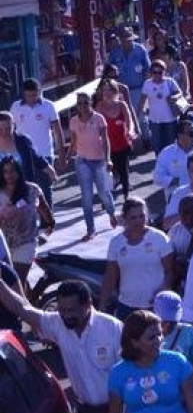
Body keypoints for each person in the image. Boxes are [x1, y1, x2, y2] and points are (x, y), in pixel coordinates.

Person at [0, 279, 120, 413]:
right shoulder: (57, 323)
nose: (66, 316)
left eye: (71, 310)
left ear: (88, 303)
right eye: (62, 310)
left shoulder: (113, 329)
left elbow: (131, 373)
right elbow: (21, 307)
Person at [101, 198, 174, 320]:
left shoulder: (160, 238)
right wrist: (102, 305)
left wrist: (163, 291)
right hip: (126, 306)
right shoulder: (116, 243)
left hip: (154, 307)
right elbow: (110, 276)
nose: (138, 221)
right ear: (125, 218)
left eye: (142, 216)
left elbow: (170, 270)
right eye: (133, 217)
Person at [68, 93, 117, 241]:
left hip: (99, 160)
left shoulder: (99, 119)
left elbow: (105, 140)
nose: (82, 106)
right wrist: (66, 157)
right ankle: (91, 229)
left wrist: (108, 159)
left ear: (90, 103)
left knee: (103, 192)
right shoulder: (74, 121)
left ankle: (112, 213)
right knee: (86, 195)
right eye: (79, 103)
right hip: (82, 160)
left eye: (85, 103)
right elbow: (73, 141)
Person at [10, 78, 64, 208]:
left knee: (44, 190)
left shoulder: (48, 106)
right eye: (28, 95)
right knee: (24, 190)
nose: (31, 98)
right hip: (24, 156)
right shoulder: (16, 107)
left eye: (34, 95)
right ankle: (29, 220)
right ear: (24, 93)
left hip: (44, 154)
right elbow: (10, 130)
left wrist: (61, 153)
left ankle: (48, 223)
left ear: (39, 92)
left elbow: (57, 130)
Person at [0, 157, 49, 291]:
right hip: (5, 244)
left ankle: (24, 310)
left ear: (19, 171)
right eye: (5, 172)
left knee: (17, 282)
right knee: (18, 283)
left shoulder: (32, 189)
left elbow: (44, 208)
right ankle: (34, 303)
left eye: (12, 171)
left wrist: (50, 224)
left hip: (26, 243)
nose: (9, 175)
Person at [107, 28, 151, 144]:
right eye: (124, 40)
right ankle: (128, 142)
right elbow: (109, 71)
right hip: (120, 90)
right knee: (125, 116)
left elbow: (147, 69)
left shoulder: (140, 50)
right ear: (120, 40)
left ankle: (146, 139)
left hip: (138, 88)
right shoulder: (114, 53)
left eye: (129, 39)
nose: (127, 42)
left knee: (140, 115)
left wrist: (146, 88)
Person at [96, 79, 137, 199]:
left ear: (115, 91)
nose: (107, 93)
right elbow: (95, 124)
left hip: (123, 142)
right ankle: (108, 196)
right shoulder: (99, 106)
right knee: (112, 169)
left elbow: (130, 121)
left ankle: (126, 196)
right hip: (108, 145)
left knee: (124, 169)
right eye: (104, 90)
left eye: (110, 90)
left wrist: (130, 131)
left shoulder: (121, 104)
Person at [137, 60, 183, 155]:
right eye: (154, 72)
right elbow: (141, 101)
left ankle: (171, 166)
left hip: (170, 119)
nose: (157, 75)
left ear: (164, 72)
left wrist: (174, 97)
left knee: (170, 146)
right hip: (155, 120)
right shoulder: (147, 83)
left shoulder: (169, 81)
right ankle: (160, 165)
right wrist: (136, 118)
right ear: (151, 73)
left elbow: (180, 93)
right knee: (158, 147)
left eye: (160, 72)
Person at [153, 290, 193, 368]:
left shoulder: (190, 332)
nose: (167, 325)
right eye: (164, 321)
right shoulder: (146, 333)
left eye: (172, 321)